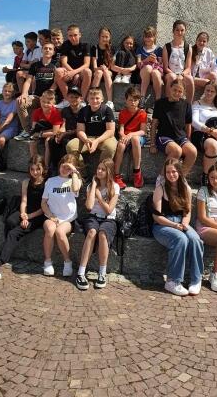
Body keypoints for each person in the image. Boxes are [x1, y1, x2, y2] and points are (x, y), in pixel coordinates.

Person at [0, 156, 46, 283]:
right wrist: (23, 213)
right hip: (26, 211)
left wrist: (28, 218)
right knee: (10, 221)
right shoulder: (26, 182)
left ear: (43, 169)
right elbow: (24, 200)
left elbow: (44, 207)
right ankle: (8, 250)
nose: (35, 172)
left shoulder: (47, 183)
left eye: (38, 169)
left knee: (14, 232)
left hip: (39, 214)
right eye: (32, 169)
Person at [152, 159, 204, 296]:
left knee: (195, 239)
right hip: (162, 225)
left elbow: (187, 211)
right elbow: (157, 217)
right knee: (181, 239)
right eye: (168, 172)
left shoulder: (185, 188)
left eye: (174, 171)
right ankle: (172, 281)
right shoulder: (160, 189)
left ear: (179, 172)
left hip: (181, 222)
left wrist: (185, 224)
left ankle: (196, 279)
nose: (171, 174)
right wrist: (174, 225)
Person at [76, 159, 119, 290]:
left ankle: (102, 273)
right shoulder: (91, 186)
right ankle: (81, 273)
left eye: (103, 169)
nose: (99, 171)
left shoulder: (114, 187)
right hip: (93, 217)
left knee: (103, 234)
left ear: (108, 172)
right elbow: (89, 207)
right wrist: (94, 186)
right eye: (98, 168)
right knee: (92, 232)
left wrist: (99, 197)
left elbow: (109, 210)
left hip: (108, 219)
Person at [41, 154, 82, 277]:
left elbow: (75, 189)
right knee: (50, 229)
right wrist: (51, 215)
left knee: (59, 232)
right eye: (64, 166)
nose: (65, 170)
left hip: (68, 220)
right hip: (51, 216)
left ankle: (67, 261)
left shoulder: (75, 181)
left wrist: (74, 172)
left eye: (68, 168)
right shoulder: (51, 181)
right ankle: (47, 262)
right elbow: (43, 203)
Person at [149, 79, 197, 176]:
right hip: (164, 137)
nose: (177, 93)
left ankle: (180, 178)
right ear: (170, 89)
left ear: (183, 93)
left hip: (180, 137)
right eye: (175, 90)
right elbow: (154, 124)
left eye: (180, 91)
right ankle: (162, 179)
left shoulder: (186, 105)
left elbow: (188, 125)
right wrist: (152, 143)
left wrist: (188, 140)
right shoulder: (160, 103)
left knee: (193, 151)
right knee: (176, 151)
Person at [15, 41, 57, 140]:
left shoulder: (56, 65)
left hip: (50, 97)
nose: (47, 50)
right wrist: (24, 93)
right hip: (37, 96)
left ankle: (40, 132)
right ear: (41, 50)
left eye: (50, 49)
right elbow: (28, 81)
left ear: (53, 52)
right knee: (20, 101)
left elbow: (56, 82)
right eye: (45, 48)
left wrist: (48, 95)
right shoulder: (35, 65)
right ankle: (28, 131)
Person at [66, 87, 117, 164]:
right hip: (88, 137)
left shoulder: (107, 110)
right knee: (71, 146)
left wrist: (97, 141)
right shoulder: (83, 111)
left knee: (110, 147)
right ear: (88, 99)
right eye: (92, 98)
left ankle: (102, 169)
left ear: (102, 99)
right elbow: (80, 130)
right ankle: (81, 170)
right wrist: (85, 139)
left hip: (104, 138)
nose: (94, 101)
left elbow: (110, 131)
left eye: (97, 98)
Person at [44, 86, 83, 175]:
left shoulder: (84, 110)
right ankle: (55, 166)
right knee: (53, 140)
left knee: (66, 142)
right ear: (67, 98)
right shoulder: (65, 110)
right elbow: (64, 124)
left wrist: (64, 134)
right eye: (71, 97)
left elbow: (80, 129)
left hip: (78, 134)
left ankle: (66, 167)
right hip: (67, 133)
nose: (73, 99)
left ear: (81, 98)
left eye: (76, 97)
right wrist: (60, 133)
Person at [114, 87, 147, 189]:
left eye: (135, 100)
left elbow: (143, 131)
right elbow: (121, 130)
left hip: (138, 137)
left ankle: (137, 172)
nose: (133, 103)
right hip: (126, 137)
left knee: (135, 138)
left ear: (139, 101)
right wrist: (124, 136)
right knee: (120, 146)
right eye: (130, 100)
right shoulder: (123, 113)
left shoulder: (142, 113)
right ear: (126, 100)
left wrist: (131, 135)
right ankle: (116, 175)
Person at [55, 24, 92, 106]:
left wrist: (76, 73)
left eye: (75, 35)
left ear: (80, 35)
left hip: (81, 72)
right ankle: (67, 100)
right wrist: (73, 73)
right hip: (69, 71)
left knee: (88, 72)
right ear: (67, 36)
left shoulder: (86, 45)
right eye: (70, 36)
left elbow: (87, 64)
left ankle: (81, 100)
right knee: (58, 71)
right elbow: (64, 63)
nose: (73, 38)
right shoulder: (65, 45)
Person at [162, 19, 194, 102]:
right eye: (177, 30)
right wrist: (175, 75)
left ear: (185, 31)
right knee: (172, 77)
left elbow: (188, 68)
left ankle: (189, 106)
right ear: (173, 31)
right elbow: (165, 68)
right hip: (169, 74)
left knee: (190, 79)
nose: (179, 33)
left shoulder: (188, 47)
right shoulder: (167, 47)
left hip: (182, 74)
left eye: (182, 30)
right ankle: (168, 103)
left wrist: (181, 75)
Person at [28, 89, 63, 158]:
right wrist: (35, 134)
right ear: (40, 100)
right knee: (32, 141)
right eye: (43, 101)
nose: (45, 104)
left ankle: (46, 166)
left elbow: (55, 132)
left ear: (53, 103)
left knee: (47, 141)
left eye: (48, 102)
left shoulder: (56, 113)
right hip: (45, 130)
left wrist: (40, 134)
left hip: (54, 133)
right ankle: (34, 162)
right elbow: (34, 128)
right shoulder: (37, 112)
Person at [136, 25, 163, 109]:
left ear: (154, 37)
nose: (148, 39)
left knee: (155, 72)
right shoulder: (140, 49)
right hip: (145, 72)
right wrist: (146, 59)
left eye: (150, 36)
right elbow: (138, 64)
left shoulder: (159, 49)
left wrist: (155, 61)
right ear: (144, 38)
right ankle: (142, 98)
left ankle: (158, 101)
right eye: (146, 37)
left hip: (156, 71)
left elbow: (161, 64)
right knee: (148, 68)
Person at [91, 26, 114, 110]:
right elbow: (94, 67)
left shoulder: (111, 48)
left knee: (106, 72)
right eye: (102, 37)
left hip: (108, 71)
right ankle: (92, 97)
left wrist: (105, 69)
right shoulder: (95, 48)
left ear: (110, 37)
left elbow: (111, 66)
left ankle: (110, 101)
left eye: (106, 37)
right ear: (99, 37)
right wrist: (100, 69)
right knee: (99, 73)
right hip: (98, 70)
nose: (105, 39)